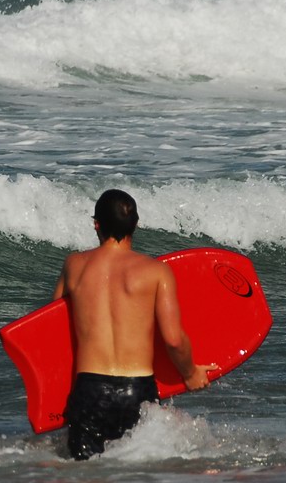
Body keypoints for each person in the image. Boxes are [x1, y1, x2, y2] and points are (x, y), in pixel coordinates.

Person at [53, 189, 217, 460]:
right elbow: (173, 339)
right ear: (136, 224)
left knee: (84, 478)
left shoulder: (74, 265)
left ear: (96, 224)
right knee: (140, 474)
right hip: (137, 390)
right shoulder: (155, 272)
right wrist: (190, 374)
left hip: (90, 388)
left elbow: (53, 324)